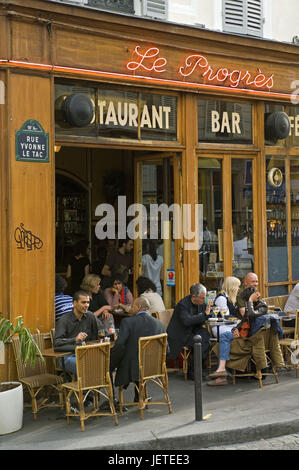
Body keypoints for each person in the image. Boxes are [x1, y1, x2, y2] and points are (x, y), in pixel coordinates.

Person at [207, 286, 284, 386]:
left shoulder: (263, 307)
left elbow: (251, 315)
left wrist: (250, 301)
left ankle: (221, 376)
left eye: (246, 299)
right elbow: (244, 320)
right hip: (246, 335)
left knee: (223, 342)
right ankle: (221, 371)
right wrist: (236, 330)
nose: (245, 302)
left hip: (253, 340)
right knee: (225, 337)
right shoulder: (250, 306)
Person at [110, 296, 166, 402]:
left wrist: (113, 359)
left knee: (108, 365)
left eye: (132, 306)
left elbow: (119, 345)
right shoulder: (159, 324)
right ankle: (139, 396)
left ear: (139, 307)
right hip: (154, 367)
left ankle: (112, 401)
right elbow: (166, 348)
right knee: (136, 356)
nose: (130, 308)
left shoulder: (127, 322)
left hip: (134, 368)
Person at [166, 283, 212, 379]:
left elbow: (206, 314)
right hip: (181, 333)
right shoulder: (183, 305)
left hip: (194, 330)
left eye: (205, 297)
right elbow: (186, 321)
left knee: (206, 337)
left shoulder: (202, 303)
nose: (205, 300)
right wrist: (204, 315)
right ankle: (194, 371)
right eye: (202, 298)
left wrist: (210, 313)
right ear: (194, 297)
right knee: (200, 342)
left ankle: (197, 368)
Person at [53, 290, 98, 377]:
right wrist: (75, 339)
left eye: (88, 302)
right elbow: (56, 343)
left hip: (86, 353)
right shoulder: (64, 320)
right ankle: (88, 390)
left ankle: (94, 388)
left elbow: (95, 338)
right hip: (67, 356)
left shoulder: (90, 316)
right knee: (84, 365)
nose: (86, 305)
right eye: (83, 302)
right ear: (75, 303)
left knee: (103, 362)